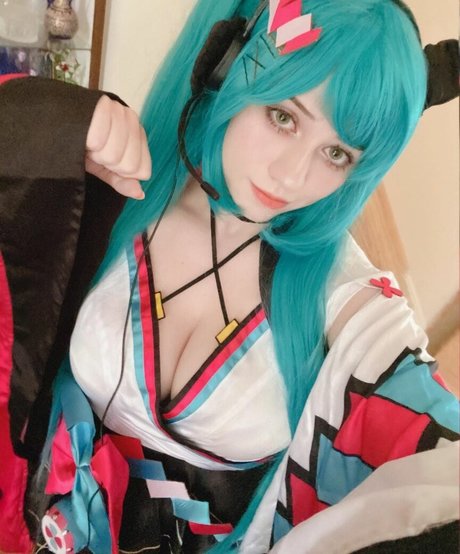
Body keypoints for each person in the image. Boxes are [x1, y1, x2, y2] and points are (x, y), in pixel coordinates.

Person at [0, 0, 458, 553]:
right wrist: (45, 122)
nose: (291, 176)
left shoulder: (348, 303)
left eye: (336, 153)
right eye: (283, 116)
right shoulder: (116, 185)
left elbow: (436, 456)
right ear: (225, 62)